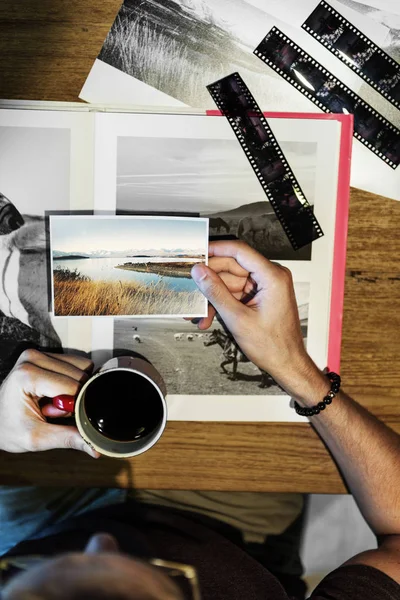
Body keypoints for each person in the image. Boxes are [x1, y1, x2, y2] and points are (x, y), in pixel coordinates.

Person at [0, 240, 399, 600]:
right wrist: (297, 371)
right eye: (166, 578)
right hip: (225, 523)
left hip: (45, 512)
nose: (102, 542)